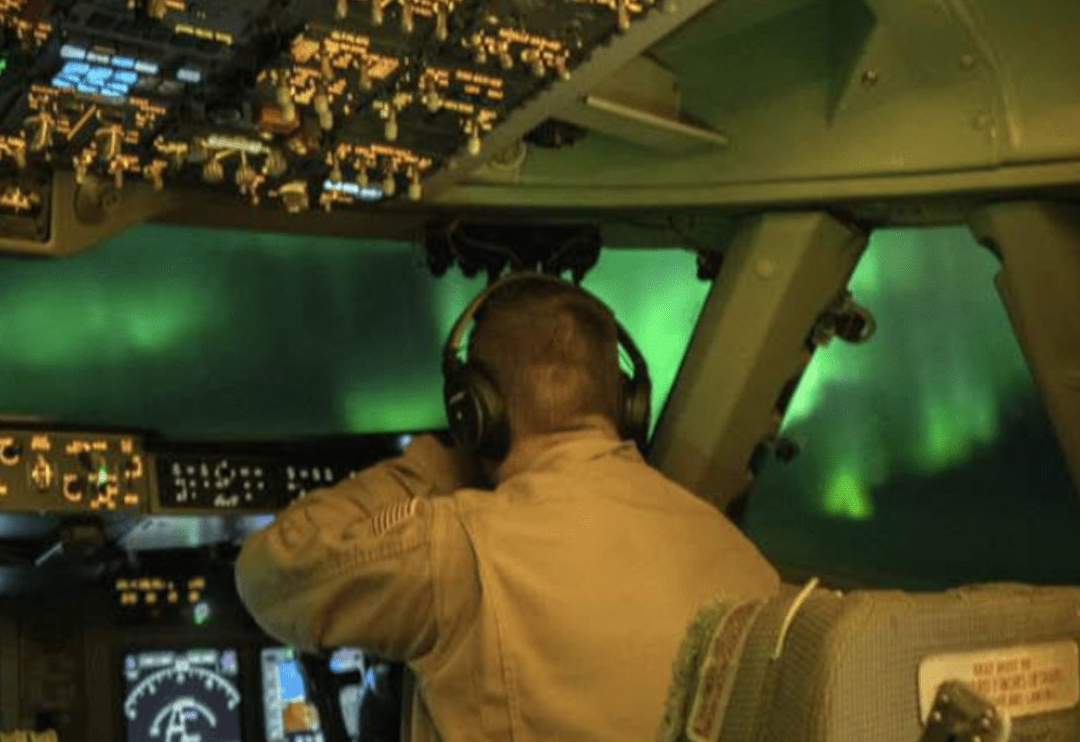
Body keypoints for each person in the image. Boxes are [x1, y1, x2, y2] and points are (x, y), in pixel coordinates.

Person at [235, 272, 781, 741]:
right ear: (627, 403)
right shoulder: (747, 565)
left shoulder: (462, 547)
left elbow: (268, 576)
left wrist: (436, 467)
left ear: (475, 413)